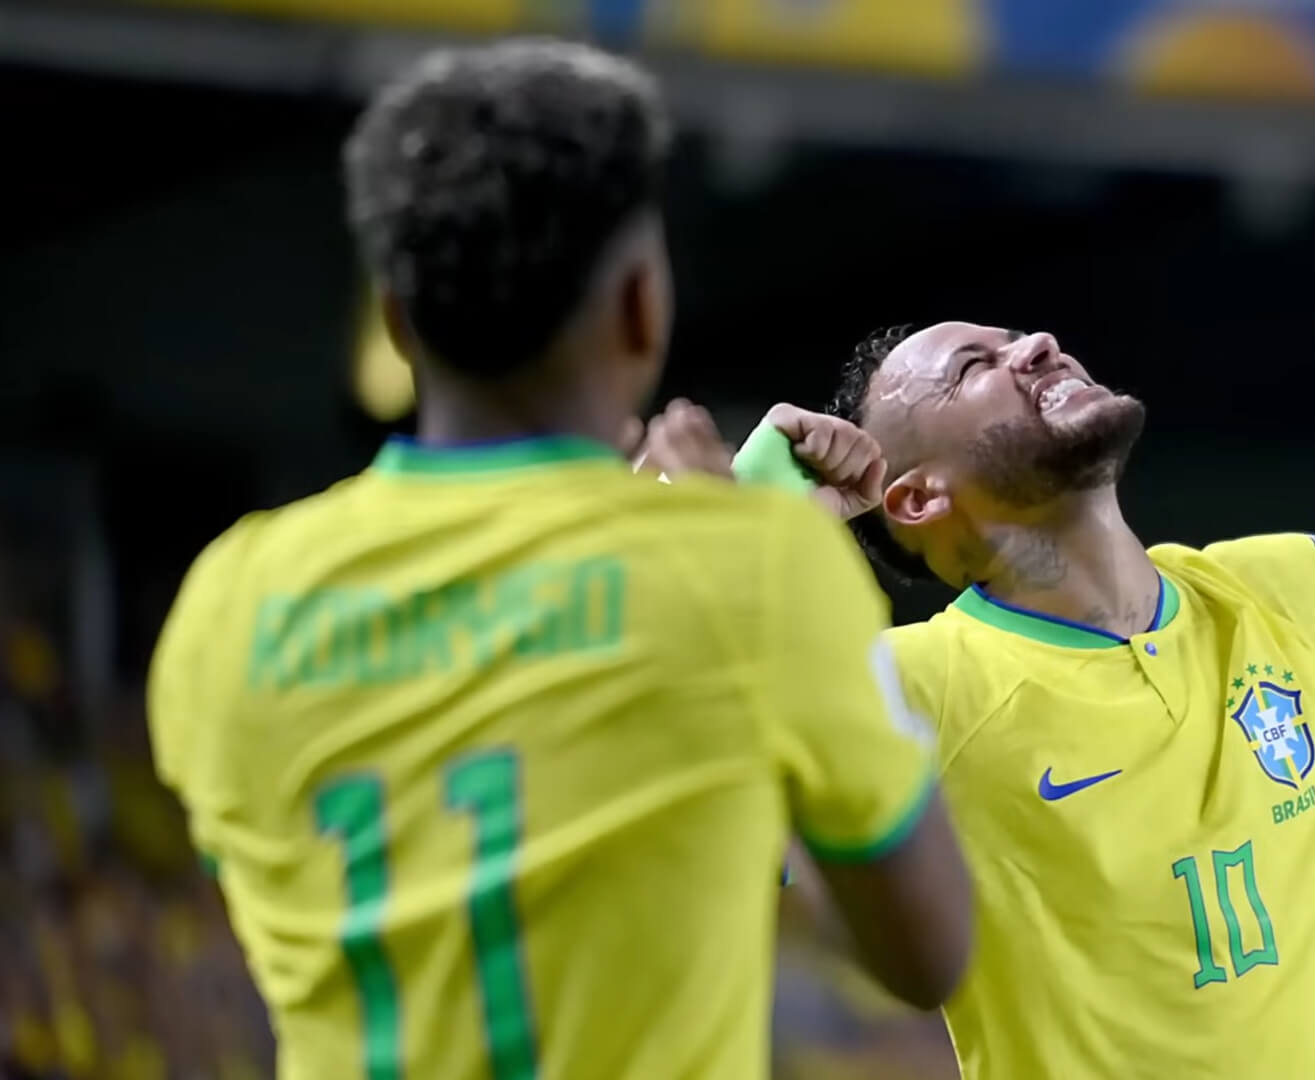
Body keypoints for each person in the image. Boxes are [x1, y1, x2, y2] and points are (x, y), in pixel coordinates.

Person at [147, 40, 972, 1080]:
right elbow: (924, 951)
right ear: (641, 305)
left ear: (397, 321)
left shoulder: (228, 599)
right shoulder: (760, 569)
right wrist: (748, 547)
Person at [659, 261, 1315, 1077]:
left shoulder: (1284, 592)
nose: (1035, 344)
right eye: (975, 368)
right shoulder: (914, 689)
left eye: (1016, 338)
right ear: (917, 500)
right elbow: (643, 814)